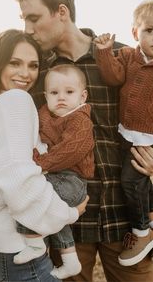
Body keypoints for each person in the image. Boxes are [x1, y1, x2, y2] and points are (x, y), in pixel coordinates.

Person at [13, 0, 153, 282]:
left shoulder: (124, 57)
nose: (27, 30)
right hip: (68, 225)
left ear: (61, 12)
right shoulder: (38, 73)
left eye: (33, 18)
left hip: (128, 223)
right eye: (23, 20)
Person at [0, 29, 88, 282]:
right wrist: (69, 214)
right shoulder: (17, 101)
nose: (25, 74)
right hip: (16, 247)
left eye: (33, 65)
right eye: (15, 63)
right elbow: (19, 180)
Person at [94, 0, 153, 267]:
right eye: (149, 31)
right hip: (128, 133)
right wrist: (105, 52)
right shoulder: (130, 56)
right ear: (135, 33)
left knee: (131, 181)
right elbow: (113, 77)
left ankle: (142, 232)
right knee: (139, 180)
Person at [14, 64, 95, 280]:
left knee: (33, 195)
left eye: (69, 92)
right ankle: (70, 261)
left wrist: (40, 163)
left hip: (72, 181)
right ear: (45, 95)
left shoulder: (80, 120)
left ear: (82, 96)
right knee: (56, 217)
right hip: (57, 177)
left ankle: (34, 241)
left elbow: (69, 151)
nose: (61, 98)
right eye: (54, 93)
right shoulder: (44, 114)